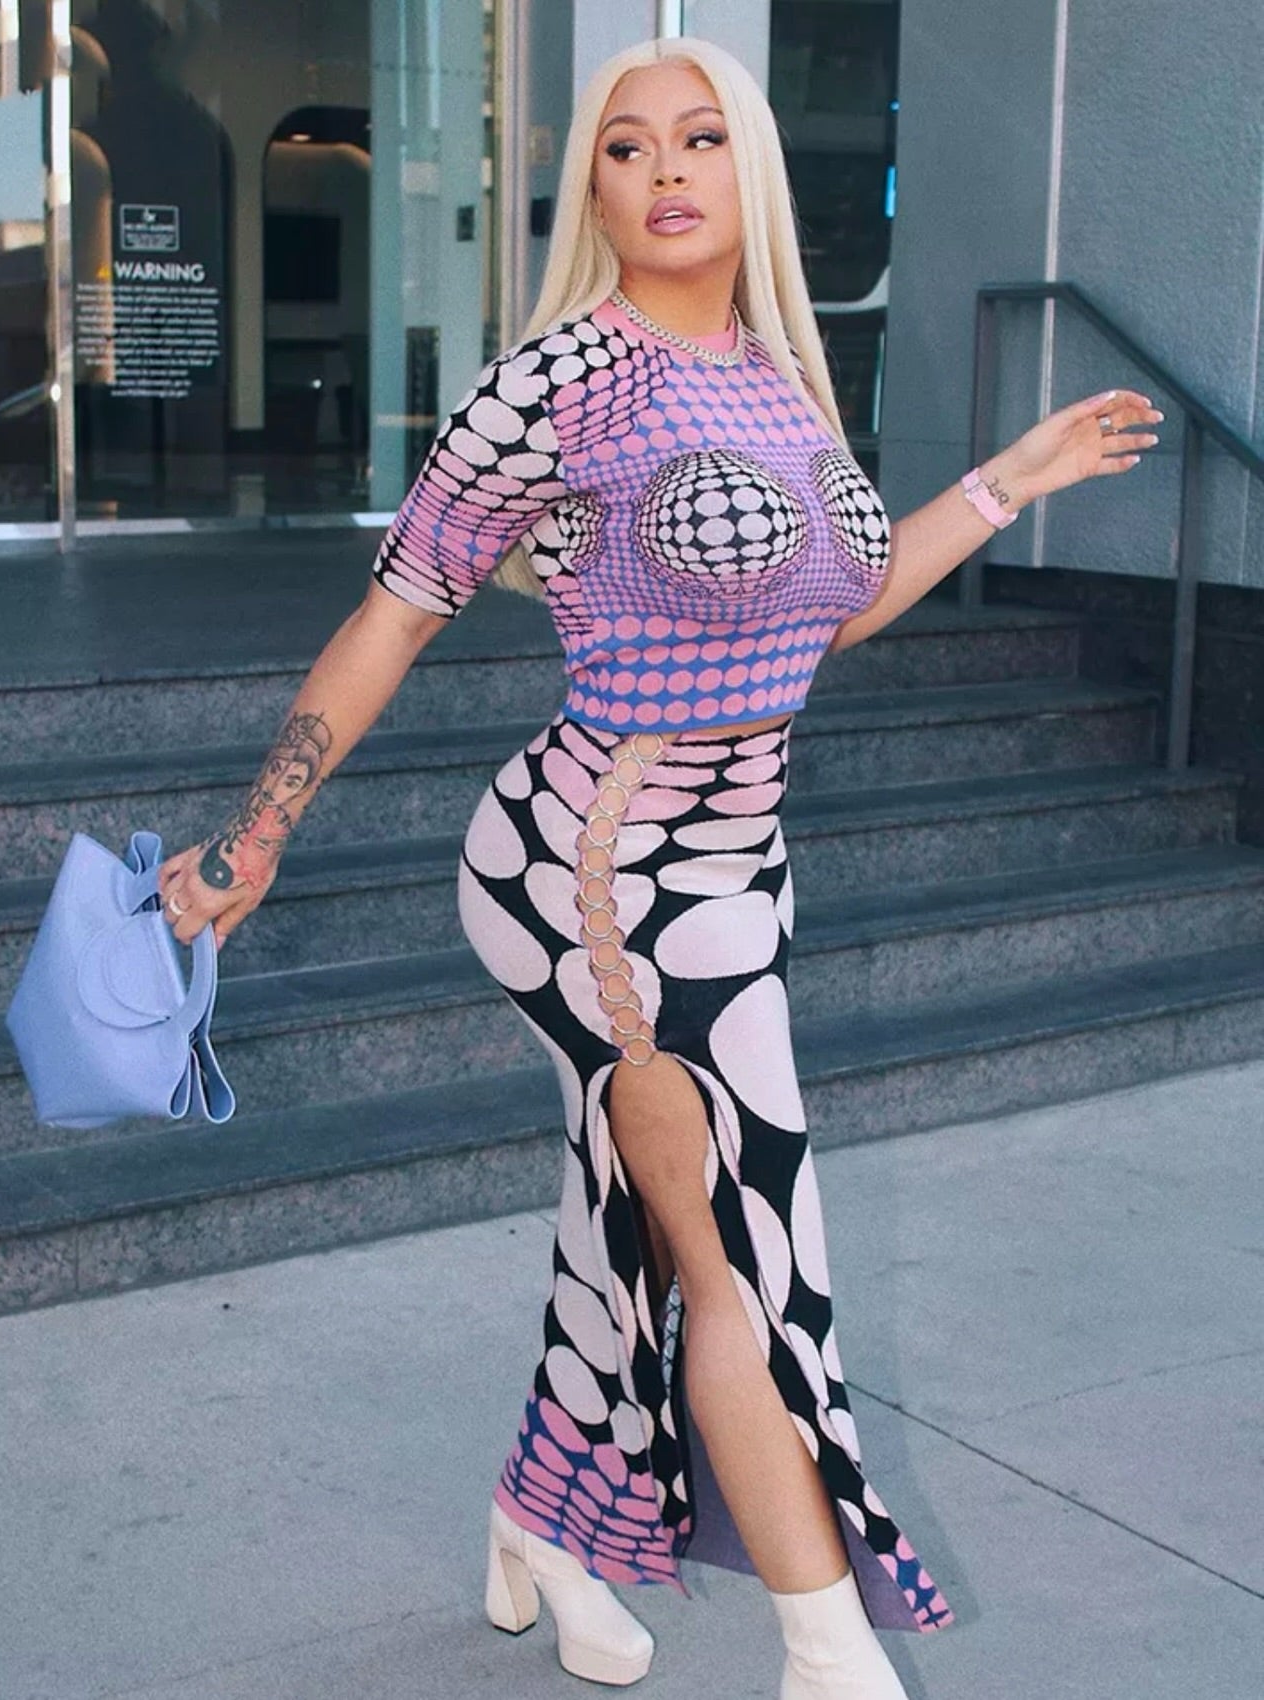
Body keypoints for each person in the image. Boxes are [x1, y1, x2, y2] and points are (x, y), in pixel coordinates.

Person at [157, 34, 1161, 1700]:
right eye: (626, 148)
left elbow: (830, 615)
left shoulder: (777, 374)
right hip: (597, 877)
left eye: (699, 138)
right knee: (740, 1256)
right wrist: (256, 832)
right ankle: (828, 1647)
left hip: (742, 871)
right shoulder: (554, 385)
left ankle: (538, 1524)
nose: (666, 170)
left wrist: (1010, 481)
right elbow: (393, 614)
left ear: (750, 169)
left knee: (629, 1220)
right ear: (595, 190)